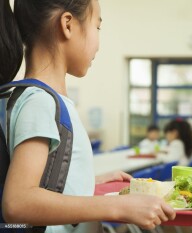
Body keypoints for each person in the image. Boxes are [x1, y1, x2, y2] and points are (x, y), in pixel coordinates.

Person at [0, 0, 175, 232]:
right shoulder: (40, 102)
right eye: (97, 27)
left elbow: (45, 186)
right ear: (68, 25)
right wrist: (116, 207)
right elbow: (18, 203)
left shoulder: (43, 99)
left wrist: (86, 185)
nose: (98, 43)